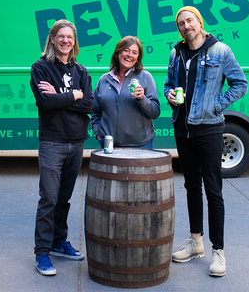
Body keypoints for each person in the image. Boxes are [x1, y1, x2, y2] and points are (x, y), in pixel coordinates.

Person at [164, 6, 248, 277]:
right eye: (181, 23)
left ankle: (218, 251)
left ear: (199, 22)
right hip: (183, 128)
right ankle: (195, 241)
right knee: (191, 186)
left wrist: (215, 104)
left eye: (189, 20)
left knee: (213, 189)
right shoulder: (176, 53)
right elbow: (169, 83)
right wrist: (169, 95)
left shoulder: (221, 51)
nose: (185, 26)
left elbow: (240, 84)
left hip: (209, 128)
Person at [30, 19, 94, 276]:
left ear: (74, 41)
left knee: (64, 199)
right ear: (53, 38)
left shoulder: (82, 71)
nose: (65, 40)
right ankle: (42, 253)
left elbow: (89, 104)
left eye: (70, 37)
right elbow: (45, 103)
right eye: (61, 36)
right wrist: (73, 95)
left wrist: (61, 96)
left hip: (76, 143)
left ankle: (58, 242)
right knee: (49, 199)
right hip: (52, 143)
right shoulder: (40, 68)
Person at [91, 36, 160, 149]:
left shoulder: (145, 77)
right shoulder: (104, 80)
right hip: (109, 146)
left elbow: (155, 112)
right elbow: (95, 112)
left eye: (134, 52)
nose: (129, 55)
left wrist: (142, 98)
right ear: (118, 53)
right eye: (126, 50)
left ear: (138, 57)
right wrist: (99, 133)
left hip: (141, 146)